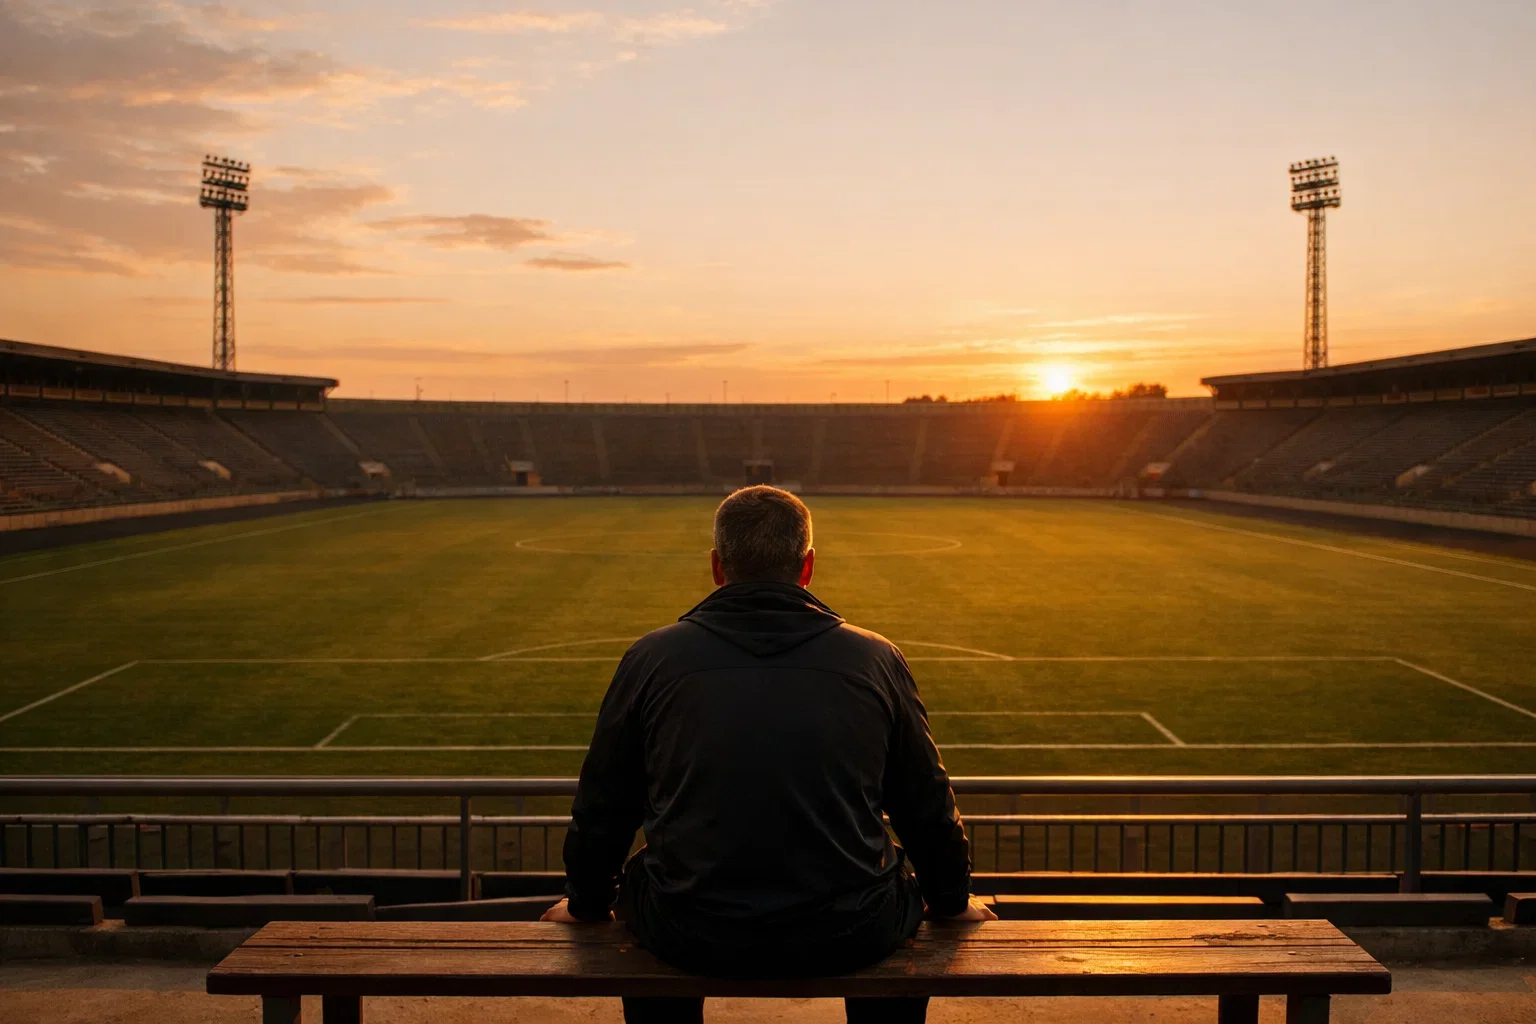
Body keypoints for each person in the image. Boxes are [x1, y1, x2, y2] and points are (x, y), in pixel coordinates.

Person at [542, 485, 994, 1024]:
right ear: (807, 567)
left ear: (717, 567)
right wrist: (951, 900)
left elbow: (605, 805)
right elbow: (925, 804)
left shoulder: (651, 658)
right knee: (896, 912)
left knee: (647, 896)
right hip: (851, 927)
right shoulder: (875, 657)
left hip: (688, 928)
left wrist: (586, 904)